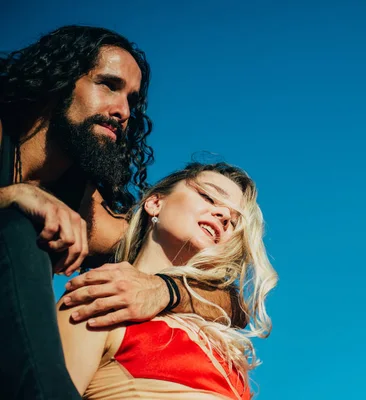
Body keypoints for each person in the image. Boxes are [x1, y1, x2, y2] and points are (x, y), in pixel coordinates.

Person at [0, 25, 242, 400]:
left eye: (132, 98)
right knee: (16, 228)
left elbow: (231, 304)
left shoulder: (84, 208)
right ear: (58, 81)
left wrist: (164, 290)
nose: (123, 110)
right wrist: (14, 195)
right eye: (108, 85)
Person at [57, 162, 277, 399]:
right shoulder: (102, 295)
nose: (223, 215)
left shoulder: (221, 342)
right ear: (155, 203)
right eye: (209, 196)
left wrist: (166, 290)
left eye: (233, 221)